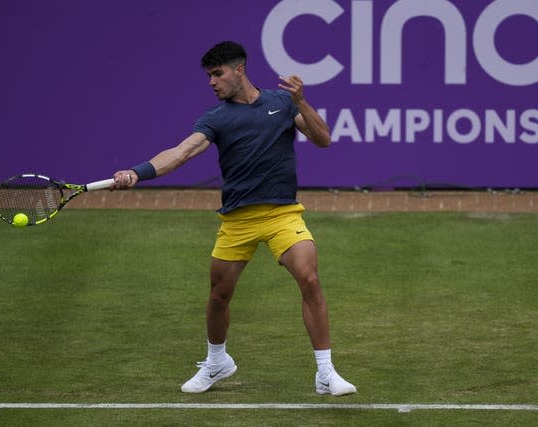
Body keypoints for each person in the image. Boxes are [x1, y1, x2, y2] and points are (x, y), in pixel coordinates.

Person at [111, 41, 356, 396]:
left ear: (239, 70)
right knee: (219, 297)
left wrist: (301, 100)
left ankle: (325, 371)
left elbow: (324, 139)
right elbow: (181, 153)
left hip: (282, 214)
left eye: (218, 73)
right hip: (237, 221)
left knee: (310, 279)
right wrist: (138, 172)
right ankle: (217, 362)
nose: (212, 82)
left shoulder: (282, 103)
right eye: (209, 75)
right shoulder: (216, 118)